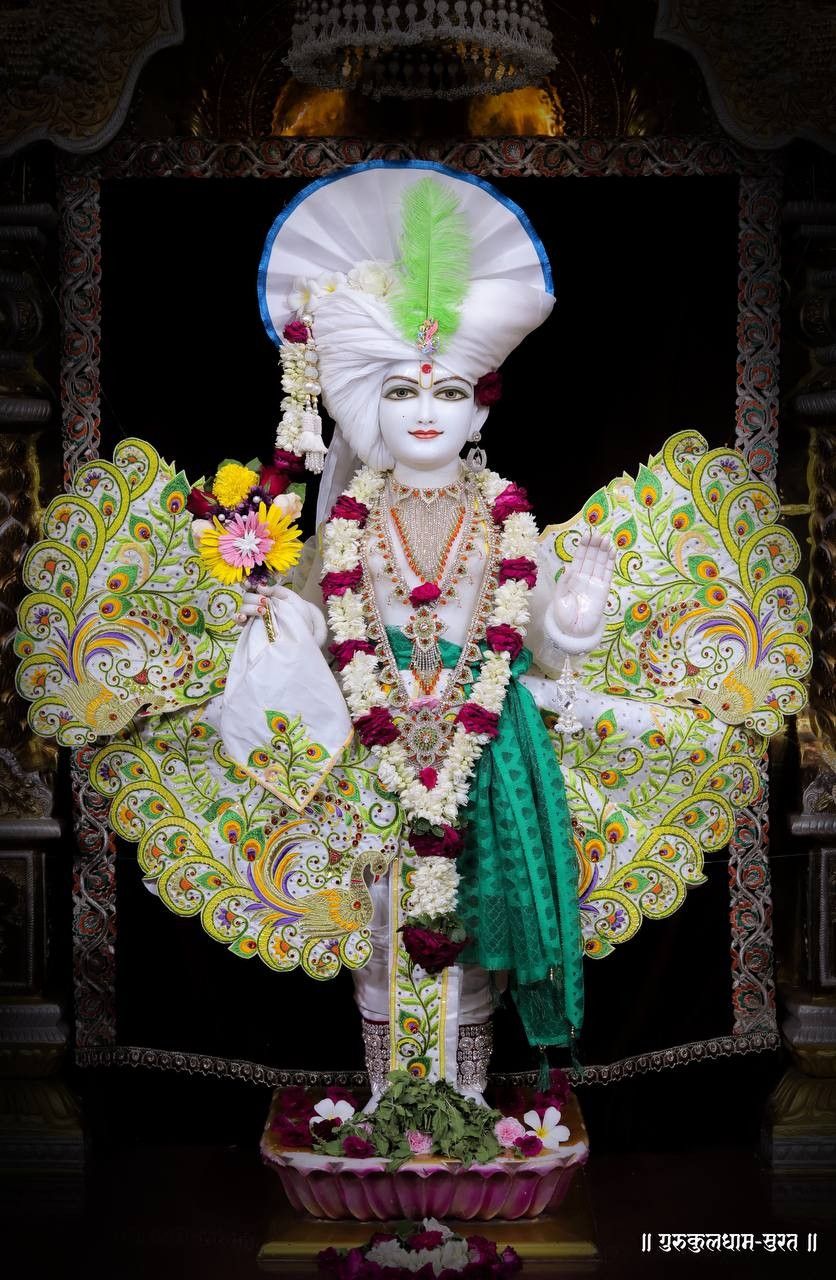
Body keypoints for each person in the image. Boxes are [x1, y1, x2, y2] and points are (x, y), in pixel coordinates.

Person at [15, 162, 810, 1104]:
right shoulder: (341, 523)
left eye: (445, 393)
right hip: (371, 730)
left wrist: (573, 622)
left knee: (475, 919)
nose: (425, 412)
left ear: (480, 406)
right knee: (382, 921)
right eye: (400, 393)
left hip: (493, 740)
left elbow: (540, 645)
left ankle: (467, 1104)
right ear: (370, 414)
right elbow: (314, 617)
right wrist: (273, 607)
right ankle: (395, 1105)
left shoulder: (509, 519)